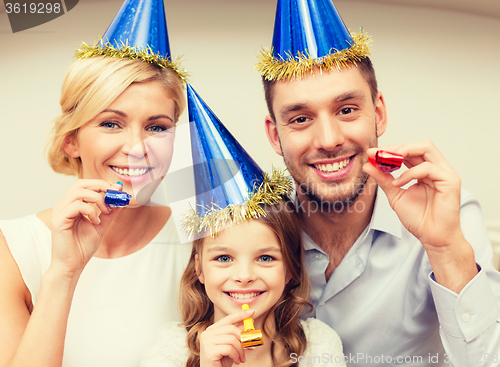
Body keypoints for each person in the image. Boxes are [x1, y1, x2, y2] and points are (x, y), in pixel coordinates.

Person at [257, 0, 500, 366]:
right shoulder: (250, 230)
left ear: (379, 113)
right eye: (301, 118)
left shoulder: (448, 214)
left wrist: (446, 249)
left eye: (347, 110)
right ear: (276, 136)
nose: (328, 139)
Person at [0, 1, 191, 366]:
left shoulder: (203, 241)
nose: (137, 148)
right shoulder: (12, 251)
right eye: (110, 123)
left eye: (157, 127)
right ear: (71, 139)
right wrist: (63, 272)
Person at [141, 85, 346, 367]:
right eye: (223, 257)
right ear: (199, 268)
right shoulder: (172, 350)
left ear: (291, 269)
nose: (244, 275)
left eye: (265, 257)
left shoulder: (317, 346)